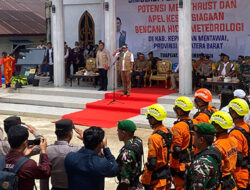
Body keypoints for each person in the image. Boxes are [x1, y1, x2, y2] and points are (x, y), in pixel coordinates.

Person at [4, 125, 51, 190]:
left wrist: (23, 156)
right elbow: (46, 173)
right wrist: (43, 151)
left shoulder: (1, 160)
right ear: (25, 142)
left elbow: (12, 165)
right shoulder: (29, 164)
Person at [40, 119, 81, 190]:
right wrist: (86, 140)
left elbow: (44, 177)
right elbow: (99, 152)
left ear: (56, 133)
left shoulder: (46, 151)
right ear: (71, 133)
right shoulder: (78, 150)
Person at [141, 104, 172, 190]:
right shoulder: (167, 132)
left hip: (156, 180)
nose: (149, 120)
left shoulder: (153, 138)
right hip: (166, 175)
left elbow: (152, 163)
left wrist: (145, 178)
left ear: (153, 119)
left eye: (150, 118)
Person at [185, 123, 222, 190]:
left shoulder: (200, 164)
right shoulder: (215, 150)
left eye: (194, 136)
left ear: (201, 140)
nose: (193, 138)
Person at [170, 97, 195, 190]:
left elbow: (176, 149)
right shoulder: (192, 122)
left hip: (180, 164)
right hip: (189, 159)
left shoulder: (178, 127)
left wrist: (174, 167)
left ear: (180, 111)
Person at [210, 111, 238, 190]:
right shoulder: (233, 139)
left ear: (217, 127)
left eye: (213, 124)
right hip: (231, 181)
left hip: (222, 183)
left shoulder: (218, 145)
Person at [228, 98, 250, 189]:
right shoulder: (247, 126)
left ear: (234, 113)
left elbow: (238, 158)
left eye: (230, 111)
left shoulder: (235, 133)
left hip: (240, 174)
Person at [116, 120, 143, 190]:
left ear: (123, 133)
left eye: (118, 131)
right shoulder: (138, 141)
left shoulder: (126, 155)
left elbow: (124, 182)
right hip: (137, 183)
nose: (117, 133)